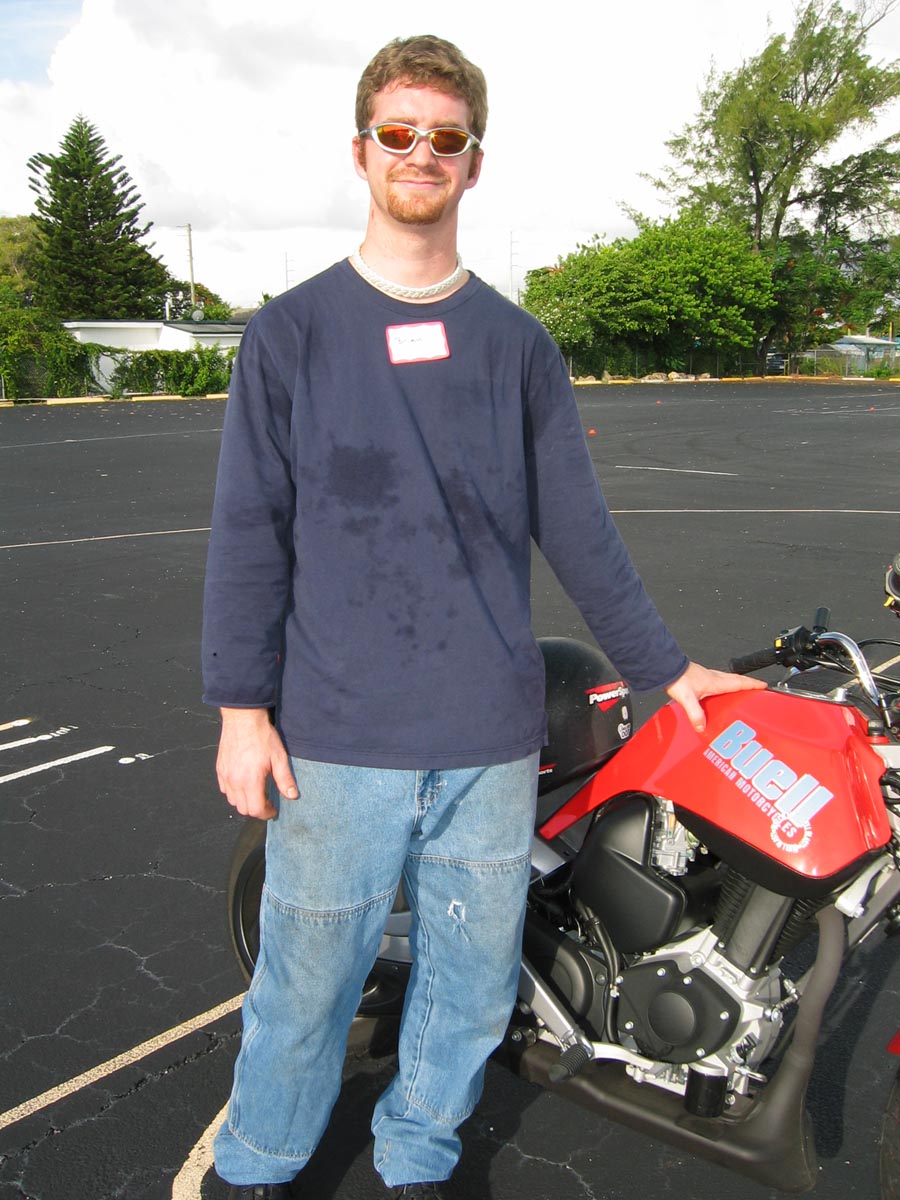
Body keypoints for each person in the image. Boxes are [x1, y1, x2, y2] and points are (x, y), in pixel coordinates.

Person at [201, 33, 764, 1200]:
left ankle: (418, 1155)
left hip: (487, 741)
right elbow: (251, 531)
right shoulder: (290, 336)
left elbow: (579, 528)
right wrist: (241, 711)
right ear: (362, 151)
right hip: (336, 739)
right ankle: (259, 1161)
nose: (422, 152)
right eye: (399, 133)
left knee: (467, 985)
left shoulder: (517, 346)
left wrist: (669, 669)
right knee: (307, 982)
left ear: (474, 161)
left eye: (445, 137)